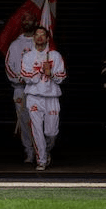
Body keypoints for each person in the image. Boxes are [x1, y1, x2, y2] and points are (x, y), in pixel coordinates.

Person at [21, 26, 66, 171]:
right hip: (34, 97)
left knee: (51, 132)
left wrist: (50, 73)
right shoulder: (27, 57)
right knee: (37, 130)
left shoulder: (55, 56)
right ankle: (41, 159)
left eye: (43, 35)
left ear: (47, 39)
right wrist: (40, 71)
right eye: (37, 35)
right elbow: (25, 77)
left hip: (51, 97)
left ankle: (46, 151)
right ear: (33, 38)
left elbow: (61, 77)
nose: (40, 37)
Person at [5, 11, 37, 164]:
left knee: (40, 121)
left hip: (39, 90)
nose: (27, 22)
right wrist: (20, 78)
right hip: (20, 89)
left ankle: (42, 151)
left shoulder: (41, 42)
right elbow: (8, 66)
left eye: (30, 19)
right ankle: (29, 151)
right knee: (25, 122)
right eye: (24, 19)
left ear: (36, 22)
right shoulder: (15, 44)